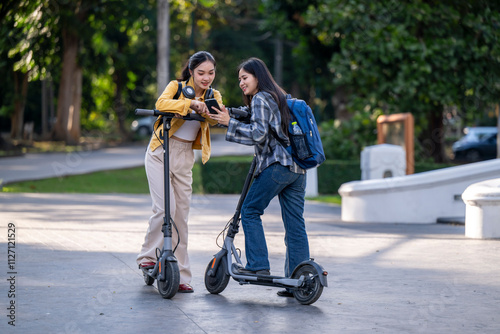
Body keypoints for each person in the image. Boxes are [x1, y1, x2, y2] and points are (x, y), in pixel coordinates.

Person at [210, 57, 310, 298]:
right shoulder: (278, 96)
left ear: (258, 76)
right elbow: (253, 116)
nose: (241, 83)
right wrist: (230, 113)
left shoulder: (262, 98)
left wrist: (228, 122)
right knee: (295, 224)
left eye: (245, 78)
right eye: (239, 80)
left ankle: (258, 265)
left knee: (250, 210)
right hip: (297, 170)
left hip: (277, 166)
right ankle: (298, 281)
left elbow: (257, 134)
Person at [137, 51, 221, 293]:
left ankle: (182, 275)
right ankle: (148, 257)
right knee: (166, 209)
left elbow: (217, 119)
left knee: (181, 215)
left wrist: (211, 112)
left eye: (211, 73)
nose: (206, 78)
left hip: (185, 155)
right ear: (192, 71)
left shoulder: (214, 95)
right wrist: (191, 103)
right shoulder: (177, 87)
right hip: (161, 150)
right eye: (201, 73)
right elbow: (161, 104)